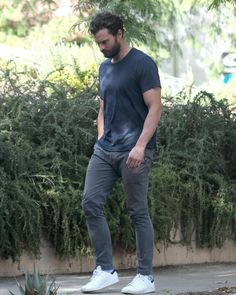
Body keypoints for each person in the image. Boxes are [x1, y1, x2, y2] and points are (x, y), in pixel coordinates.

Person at [81, 11, 162, 294]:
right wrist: (101, 137)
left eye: (105, 41)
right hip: (106, 150)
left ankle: (145, 277)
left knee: (137, 211)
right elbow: (103, 107)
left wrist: (140, 146)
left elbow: (155, 107)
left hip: (134, 151)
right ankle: (105, 270)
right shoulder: (105, 68)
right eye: (98, 43)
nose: (102, 48)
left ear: (119, 33)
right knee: (90, 202)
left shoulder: (142, 64)